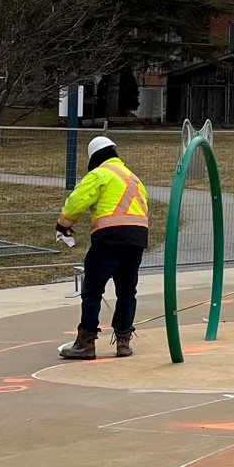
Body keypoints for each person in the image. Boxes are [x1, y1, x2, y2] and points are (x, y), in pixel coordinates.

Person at [55, 134, 149, 360]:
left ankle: (86, 342)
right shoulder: (134, 178)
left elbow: (77, 201)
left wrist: (63, 225)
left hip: (109, 238)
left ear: (94, 157)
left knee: (92, 291)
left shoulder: (99, 174)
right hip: (137, 238)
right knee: (127, 291)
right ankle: (123, 341)